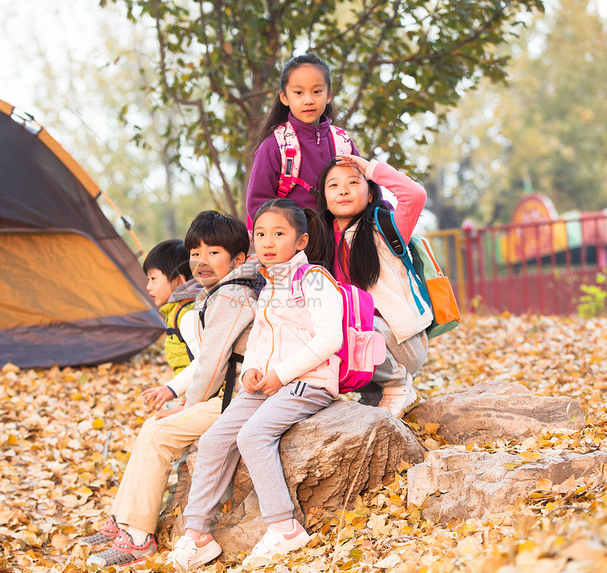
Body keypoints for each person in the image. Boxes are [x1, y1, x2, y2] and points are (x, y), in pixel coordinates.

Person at [168, 199, 344, 570]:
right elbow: (261, 341)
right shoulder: (268, 285)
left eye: (279, 234)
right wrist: (254, 370)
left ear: (301, 241)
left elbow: (330, 338)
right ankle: (197, 534)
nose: (267, 241)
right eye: (261, 233)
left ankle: (285, 528)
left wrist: (282, 373)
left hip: (307, 382)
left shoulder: (313, 279)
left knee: (252, 436)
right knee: (216, 437)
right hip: (268, 383)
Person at [82, 212, 259, 569]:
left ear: (238, 259)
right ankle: (124, 521)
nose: (201, 261)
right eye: (196, 253)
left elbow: (210, 366)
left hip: (238, 400)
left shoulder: (232, 296)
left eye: (213, 253)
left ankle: (137, 538)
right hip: (225, 396)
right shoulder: (222, 291)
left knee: (159, 434)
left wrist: (186, 406)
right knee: (153, 429)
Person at [316, 154, 432, 417]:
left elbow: (414, 195)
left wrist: (370, 168)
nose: (343, 190)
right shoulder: (321, 241)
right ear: (325, 199)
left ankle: (397, 382)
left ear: (370, 194)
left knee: (346, 325)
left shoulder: (385, 227)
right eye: (333, 185)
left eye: (354, 183)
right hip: (360, 349)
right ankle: (377, 391)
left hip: (400, 342)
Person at [245, 54, 359, 229]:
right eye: (298, 92)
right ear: (284, 97)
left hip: (341, 243)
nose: (309, 100)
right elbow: (257, 204)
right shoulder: (275, 146)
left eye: (317, 91)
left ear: (328, 95)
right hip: (295, 249)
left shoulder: (342, 143)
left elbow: (366, 188)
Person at [143, 239, 202, 377]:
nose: (148, 286)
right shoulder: (175, 310)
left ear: (178, 281)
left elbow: (203, 362)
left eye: (153, 278)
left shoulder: (186, 313)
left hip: (197, 391)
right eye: (147, 279)